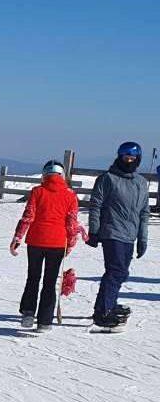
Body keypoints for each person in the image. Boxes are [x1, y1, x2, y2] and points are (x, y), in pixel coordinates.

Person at [9, 160, 80, 331]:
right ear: (62, 175)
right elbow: (72, 223)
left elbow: (28, 216)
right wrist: (70, 244)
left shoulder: (37, 191)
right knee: (50, 281)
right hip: (57, 242)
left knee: (33, 277)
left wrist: (17, 238)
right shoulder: (70, 195)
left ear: (44, 175)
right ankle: (45, 321)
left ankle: (28, 312)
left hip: (35, 241)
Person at [87, 141, 150, 329]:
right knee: (116, 272)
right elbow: (96, 204)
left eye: (132, 158)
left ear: (138, 159)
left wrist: (142, 238)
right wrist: (94, 230)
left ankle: (106, 305)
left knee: (120, 273)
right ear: (119, 157)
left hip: (129, 235)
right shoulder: (107, 179)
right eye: (126, 157)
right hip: (111, 231)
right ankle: (104, 312)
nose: (129, 160)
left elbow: (144, 212)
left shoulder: (140, 182)